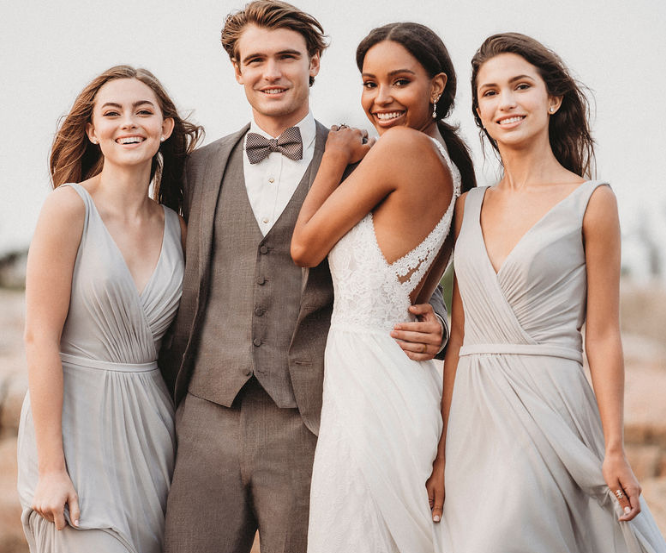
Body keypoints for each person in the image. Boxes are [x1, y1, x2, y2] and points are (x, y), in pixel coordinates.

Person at [158, 4, 450, 553]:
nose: (272, 72)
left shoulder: (367, 160)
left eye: (287, 57)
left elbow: (403, 266)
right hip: (204, 418)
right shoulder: (195, 168)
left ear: (314, 63)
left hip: (312, 421)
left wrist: (441, 323)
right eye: (256, 59)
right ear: (237, 70)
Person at [429, 32, 666, 552]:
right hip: (474, 416)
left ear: (552, 98)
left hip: (551, 407)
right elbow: (462, 337)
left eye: (520, 86)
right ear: (478, 108)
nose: (505, 102)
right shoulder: (467, 205)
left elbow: (603, 335)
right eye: (490, 93)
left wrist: (614, 447)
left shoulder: (591, 201)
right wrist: (443, 451)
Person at [292, 22, 476, 553]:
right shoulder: (451, 164)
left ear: (436, 87)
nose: (380, 98)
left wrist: (333, 155)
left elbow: (305, 247)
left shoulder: (399, 149)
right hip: (393, 378)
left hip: (371, 387)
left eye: (399, 81)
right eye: (369, 83)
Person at [16, 65, 201, 553]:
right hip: (74, 433)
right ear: (94, 131)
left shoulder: (178, 228)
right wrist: (52, 468)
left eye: (144, 111)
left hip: (149, 435)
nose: (129, 123)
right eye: (112, 113)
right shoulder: (68, 208)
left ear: (165, 127)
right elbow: (39, 337)